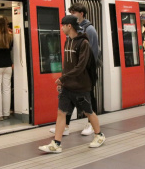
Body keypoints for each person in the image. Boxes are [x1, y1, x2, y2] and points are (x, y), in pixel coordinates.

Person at [39, 15, 105, 153]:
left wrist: (63, 78)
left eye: (63, 25)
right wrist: (63, 81)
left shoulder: (83, 44)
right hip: (68, 87)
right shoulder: (67, 42)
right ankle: (56, 144)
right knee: (61, 113)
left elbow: (80, 67)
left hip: (81, 87)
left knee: (88, 112)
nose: (61, 28)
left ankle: (99, 135)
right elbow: (67, 66)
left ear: (69, 26)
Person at [50, 3, 99, 136]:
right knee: (68, 101)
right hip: (74, 74)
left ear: (81, 13)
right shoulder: (72, 35)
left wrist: (85, 73)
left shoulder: (89, 31)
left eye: (74, 13)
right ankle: (64, 127)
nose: (72, 15)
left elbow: (93, 53)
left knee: (88, 101)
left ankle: (92, 127)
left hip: (85, 73)